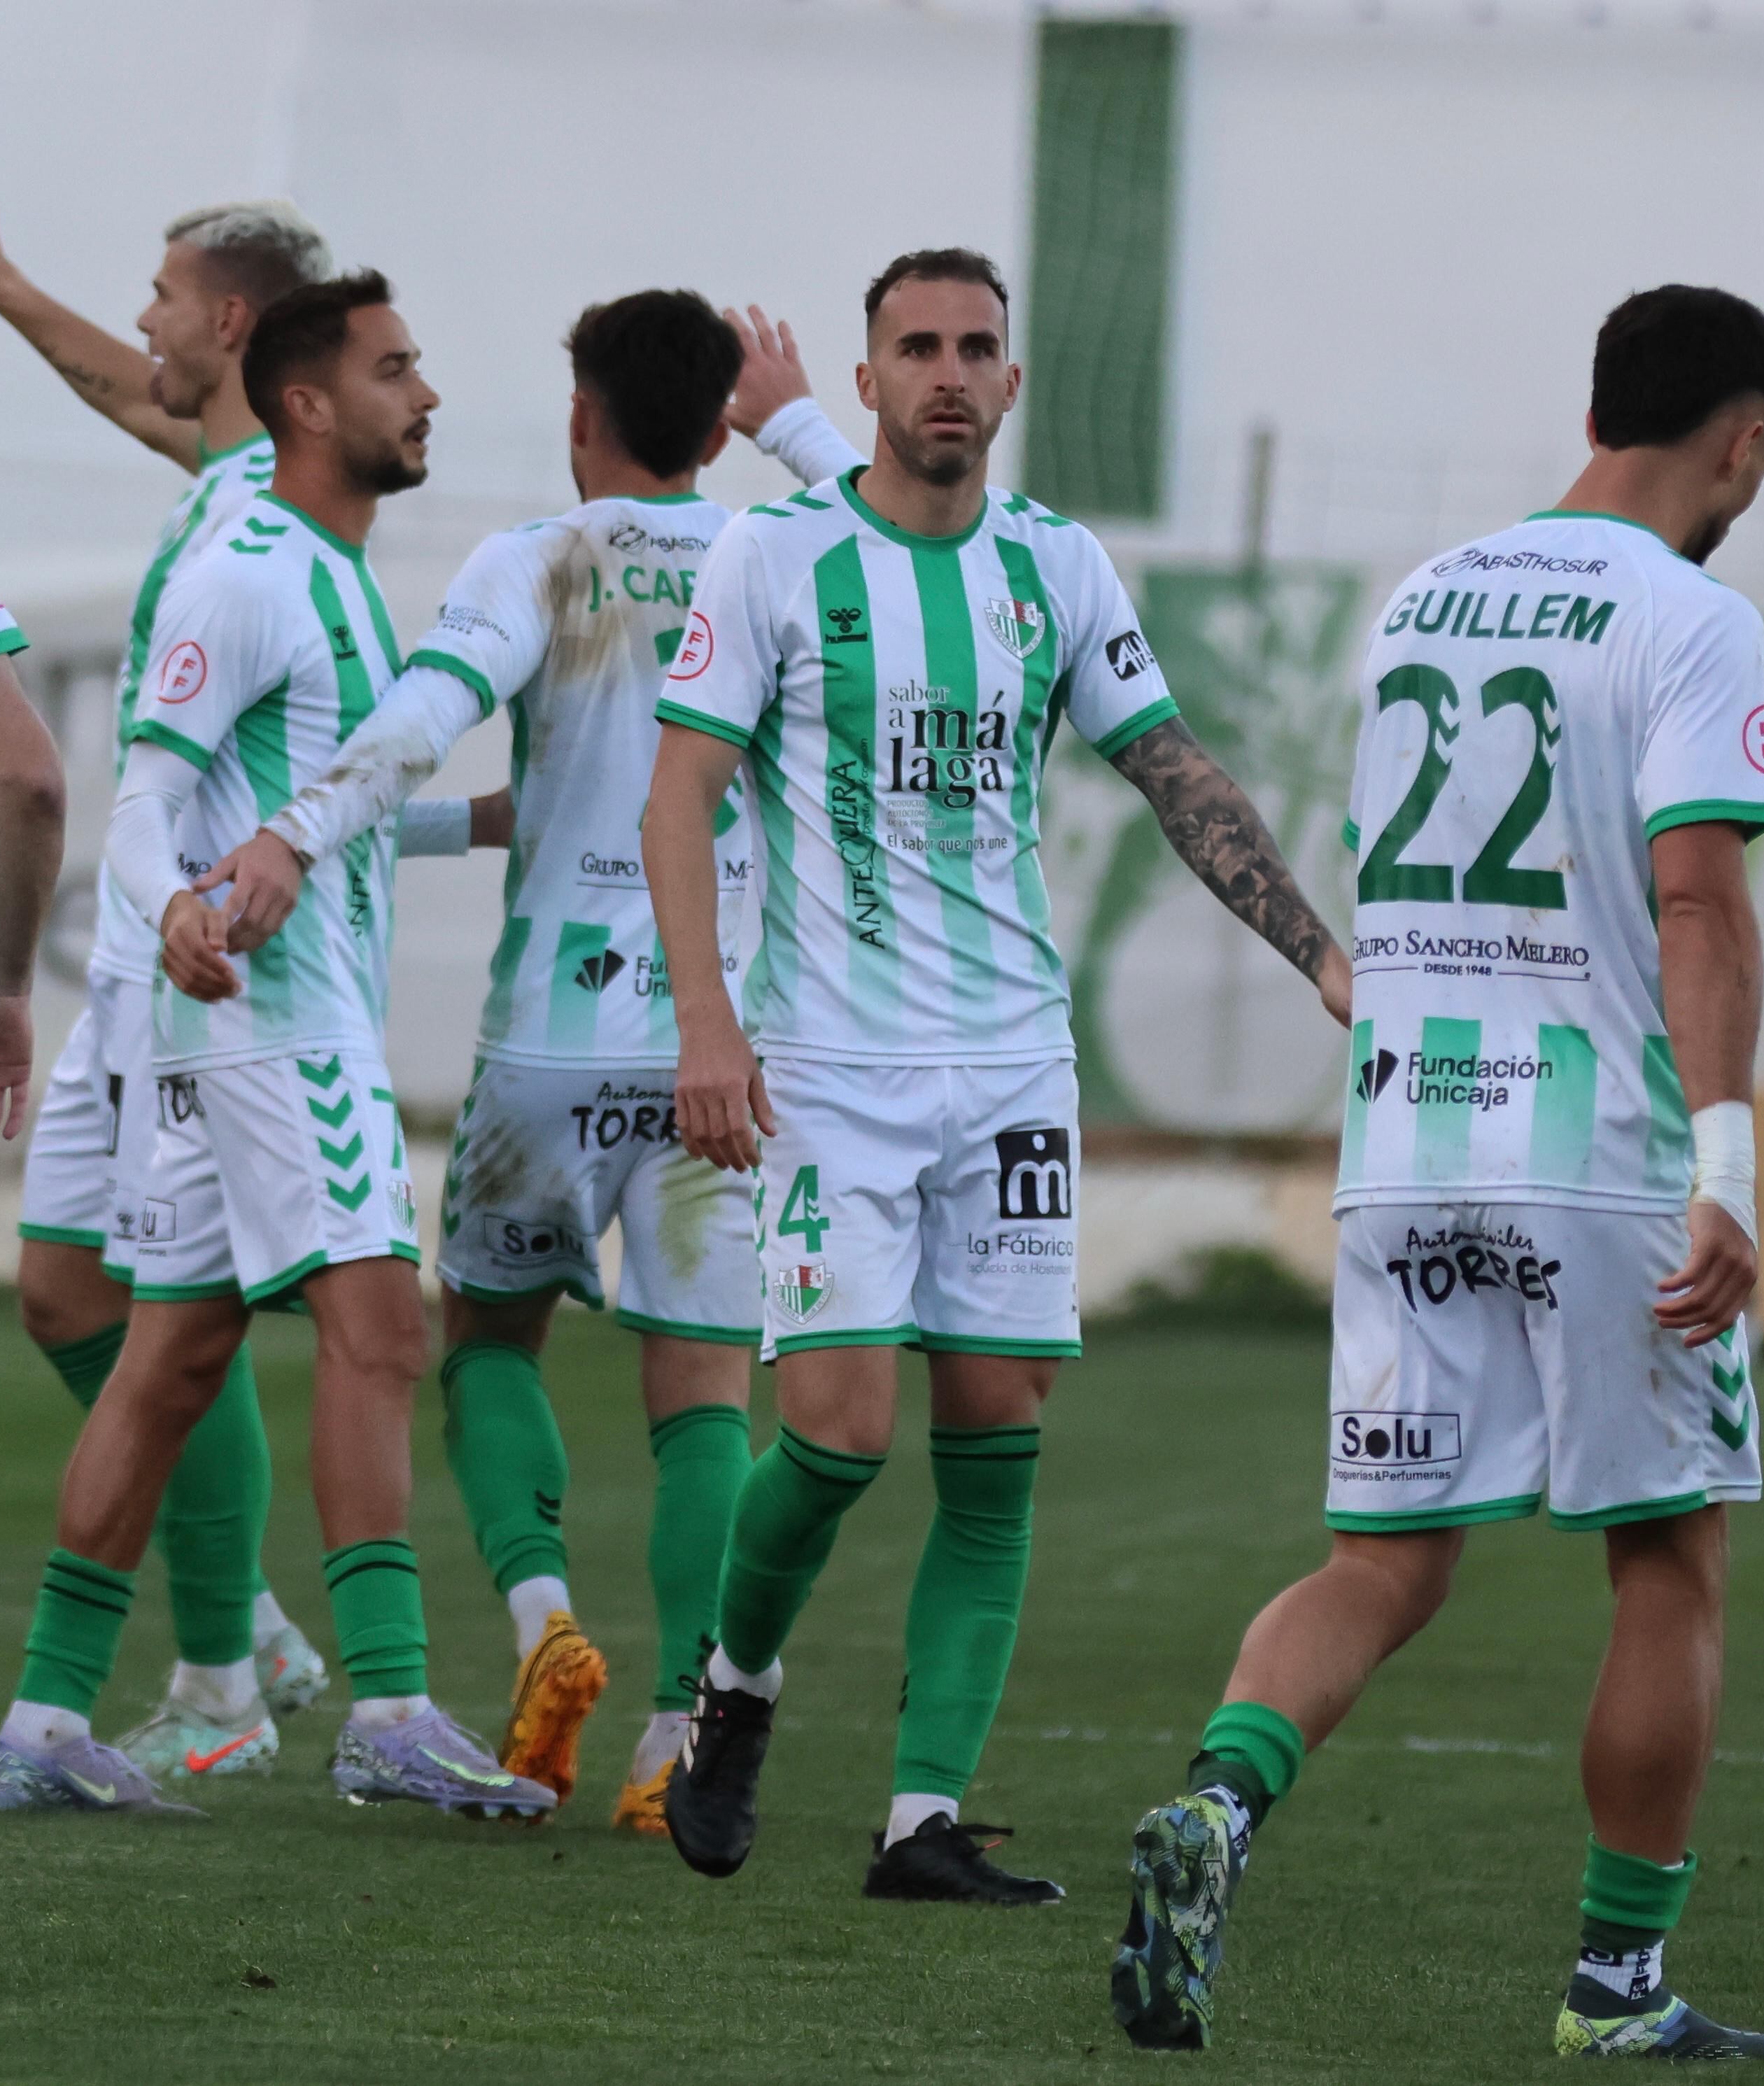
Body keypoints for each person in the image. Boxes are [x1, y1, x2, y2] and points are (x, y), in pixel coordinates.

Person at [1108, 286, 1764, 2061]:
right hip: (1600, 1156)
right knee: (1666, 1558)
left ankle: (1218, 1806)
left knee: (1384, 1558)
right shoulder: (1694, 617)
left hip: (1407, 1143)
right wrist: (1727, 1166)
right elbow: (1700, 901)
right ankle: (1615, 1992)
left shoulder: (1429, 591)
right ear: (1738, 436)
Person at [642, 248, 1349, 1902]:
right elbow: (679, 799)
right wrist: (705, 1024)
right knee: (833, 1431)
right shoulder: (774, 555)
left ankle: (922, 1818)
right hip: (828, 1063)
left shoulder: (1055, 569)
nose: (949, 373)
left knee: (995, 1428)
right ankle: (732, 1685)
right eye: (917, 349)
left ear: (1010, 386)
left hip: (1014, 1066)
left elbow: (1170, 768)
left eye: (976, 348)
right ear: (869, 384)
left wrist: (1317, 948)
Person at [197, 292, 862, 1830]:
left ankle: (539, 1623)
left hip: (546, 1050)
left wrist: (298, 827)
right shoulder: (795, 556)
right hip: (718, 1043)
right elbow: (905, 537)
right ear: (714, 428)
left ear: (581, 416)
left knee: (488, 1347)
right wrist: (800, 423)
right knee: (700, 1393)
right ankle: (676, 1740)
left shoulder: (539, 558)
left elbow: (427, 719)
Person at [0, 272, 553, 1822]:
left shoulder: (325, 567)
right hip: (273, 1026)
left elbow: (303, 821)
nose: (424, 396)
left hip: (223, 1024)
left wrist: (480, 823)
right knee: (380, 1333)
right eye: (396, 368)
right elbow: (153, 809)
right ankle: (387, 1704)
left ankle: (39, 1723)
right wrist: (172, 914)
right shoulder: (252, 572)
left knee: (168, 1365)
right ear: (307, 402)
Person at [0, 136, 351, 1772]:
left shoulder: (287, 516)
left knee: (179, 1315)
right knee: (60, 1294)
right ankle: (246, 1621)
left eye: (162, 295)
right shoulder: (228, 469)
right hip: (134, 962)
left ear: (232, 323)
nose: (141, 323)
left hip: (206, 969)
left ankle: (223, 1679)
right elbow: (133, 396)